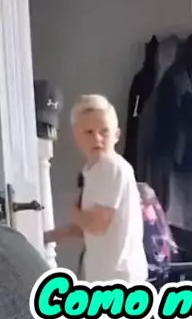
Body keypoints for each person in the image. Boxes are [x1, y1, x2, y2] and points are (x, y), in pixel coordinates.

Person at [45, 94, 148, 285]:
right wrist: (51, 235)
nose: (97, 139)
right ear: (76, 135)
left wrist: (74, 213)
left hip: (117, 275)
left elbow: (97, 225)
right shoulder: (93, 169)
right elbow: (89, 226)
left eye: (104, 131)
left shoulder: (110, 167)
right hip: (112, 272)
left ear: (117, 135)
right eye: (89, 132)